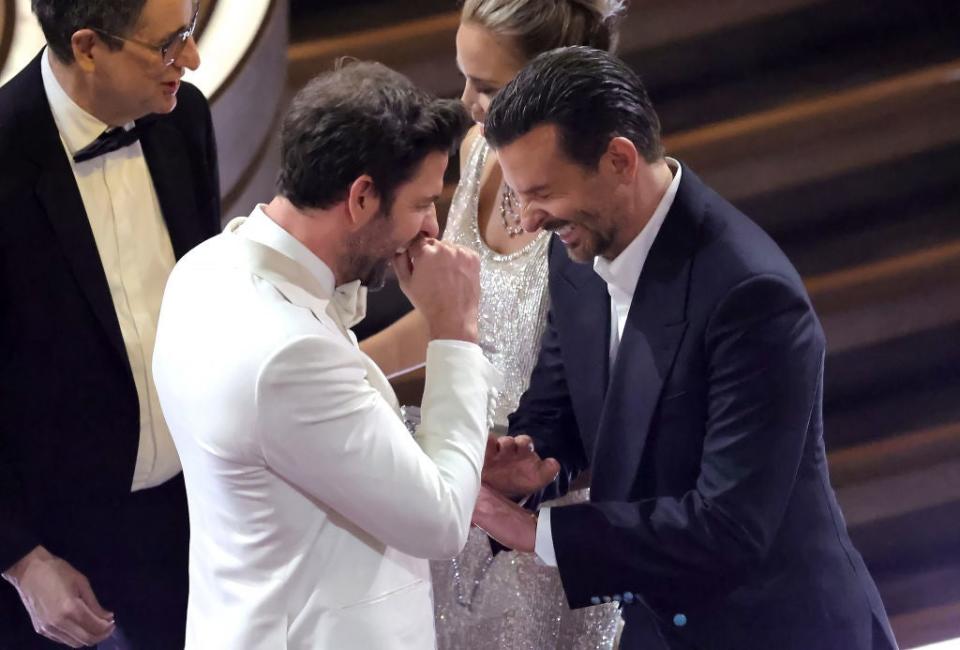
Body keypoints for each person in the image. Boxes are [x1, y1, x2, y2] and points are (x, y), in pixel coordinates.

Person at [472, 46, 900, 650]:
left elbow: (727, 527)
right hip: (655, 630)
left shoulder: (751, 294)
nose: (531, 220)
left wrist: (531, 530)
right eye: (520, 196)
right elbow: (560, 409)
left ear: (620, 159)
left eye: (542, 192)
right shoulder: (573, 255)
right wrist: (529, 463)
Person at [151, 60, 502, 650]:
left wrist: (458, 461)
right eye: (420, 204)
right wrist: (452, 330)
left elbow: (314, 454)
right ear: (362, 196)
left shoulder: (205, 265)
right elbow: (440, 522)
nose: (431, 227)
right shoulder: (289, 354)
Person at [361, 1, 624, 646]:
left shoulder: (597, 200)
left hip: (543, 513)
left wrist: (520, 482)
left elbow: (604, 397)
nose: (468, 104)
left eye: (489, 87)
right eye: (465, 79)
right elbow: (449, 322)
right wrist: (350, 365)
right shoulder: (479, 149)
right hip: (456, 480)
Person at [0, 0, 218, 647]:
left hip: (194, 524)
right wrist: (21, 558)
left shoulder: (184, 118)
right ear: (89, 47)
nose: (193, 59)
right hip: (56, 557)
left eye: (191, 32)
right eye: (169, 43)